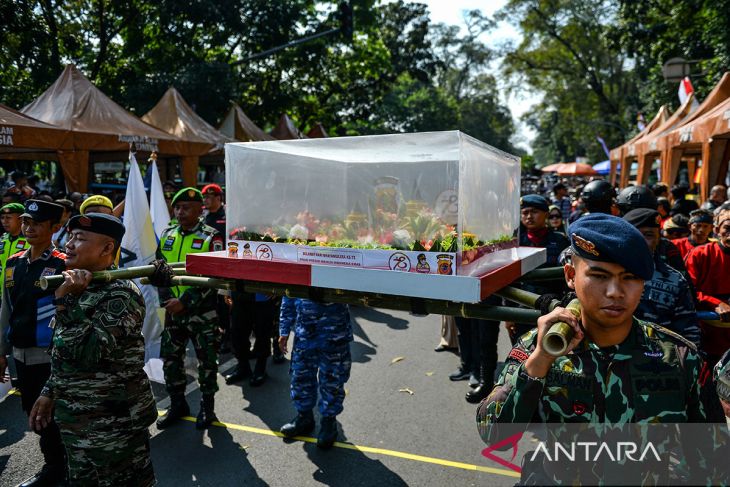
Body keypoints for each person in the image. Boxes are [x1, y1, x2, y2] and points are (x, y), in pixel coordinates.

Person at [477, 214, 707, 484]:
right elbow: (495, 436)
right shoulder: (538, 346)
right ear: (571, 276)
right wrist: (540, 361)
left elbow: (712, 458)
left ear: (643, 284)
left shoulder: (678, 356)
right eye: (599, 276)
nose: (614, 291)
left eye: (630, 278)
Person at [29, 213, 157, 486]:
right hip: (77, 421)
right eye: (71, 236)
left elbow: (89, 353)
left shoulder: (120, 294)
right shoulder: (81, 287)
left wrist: (65, 304)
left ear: (107, 248)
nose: (69, 244)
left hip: (113, 426)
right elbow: (63, 352)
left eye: (80, 238)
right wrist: (50, 391)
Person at [0, 200, 66, 486]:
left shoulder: (62, 264)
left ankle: (59, 469)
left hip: (51, 357)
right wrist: (0, 352)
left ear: (55, 228)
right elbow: (6, 310)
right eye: (26, 222)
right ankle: (55, 465)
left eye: (37, 224)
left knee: (53, 415)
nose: (29, 228)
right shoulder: (14, 264)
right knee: (32, 411)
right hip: (20, 355)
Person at [155, 187, 224, 430]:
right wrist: (167, 300)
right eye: (177, 207)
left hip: (201, 313)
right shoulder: (167, 234)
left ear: (199, 210)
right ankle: (177, 404)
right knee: (171, 361)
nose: (180, 212)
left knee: (207, 362)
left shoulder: (211, 237)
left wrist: (184, 301)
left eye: (186, 208)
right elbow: (158, 269)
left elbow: (212, 275)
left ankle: (208, 408)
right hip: (173, 312)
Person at [278, 297, 353, 449]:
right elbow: (289, 293)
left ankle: (328, 422)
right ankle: (304, 418)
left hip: (334, 332)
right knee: (300, 377)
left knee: (332, 381)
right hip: (305, 332)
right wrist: (284, 329)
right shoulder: (300, 271)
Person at [623, 208, 700, 346]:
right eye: (635, 235)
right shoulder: (606, 274)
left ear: (658, 239)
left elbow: (688, 331)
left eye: (648, 235)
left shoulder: (675, 280)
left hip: (658, 362)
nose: (641, 241)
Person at [685, 207, 730, 366]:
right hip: (706, 335)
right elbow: (689, 290)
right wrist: (716, 303)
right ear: (717, 230)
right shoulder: (700, 254)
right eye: (727, 228)